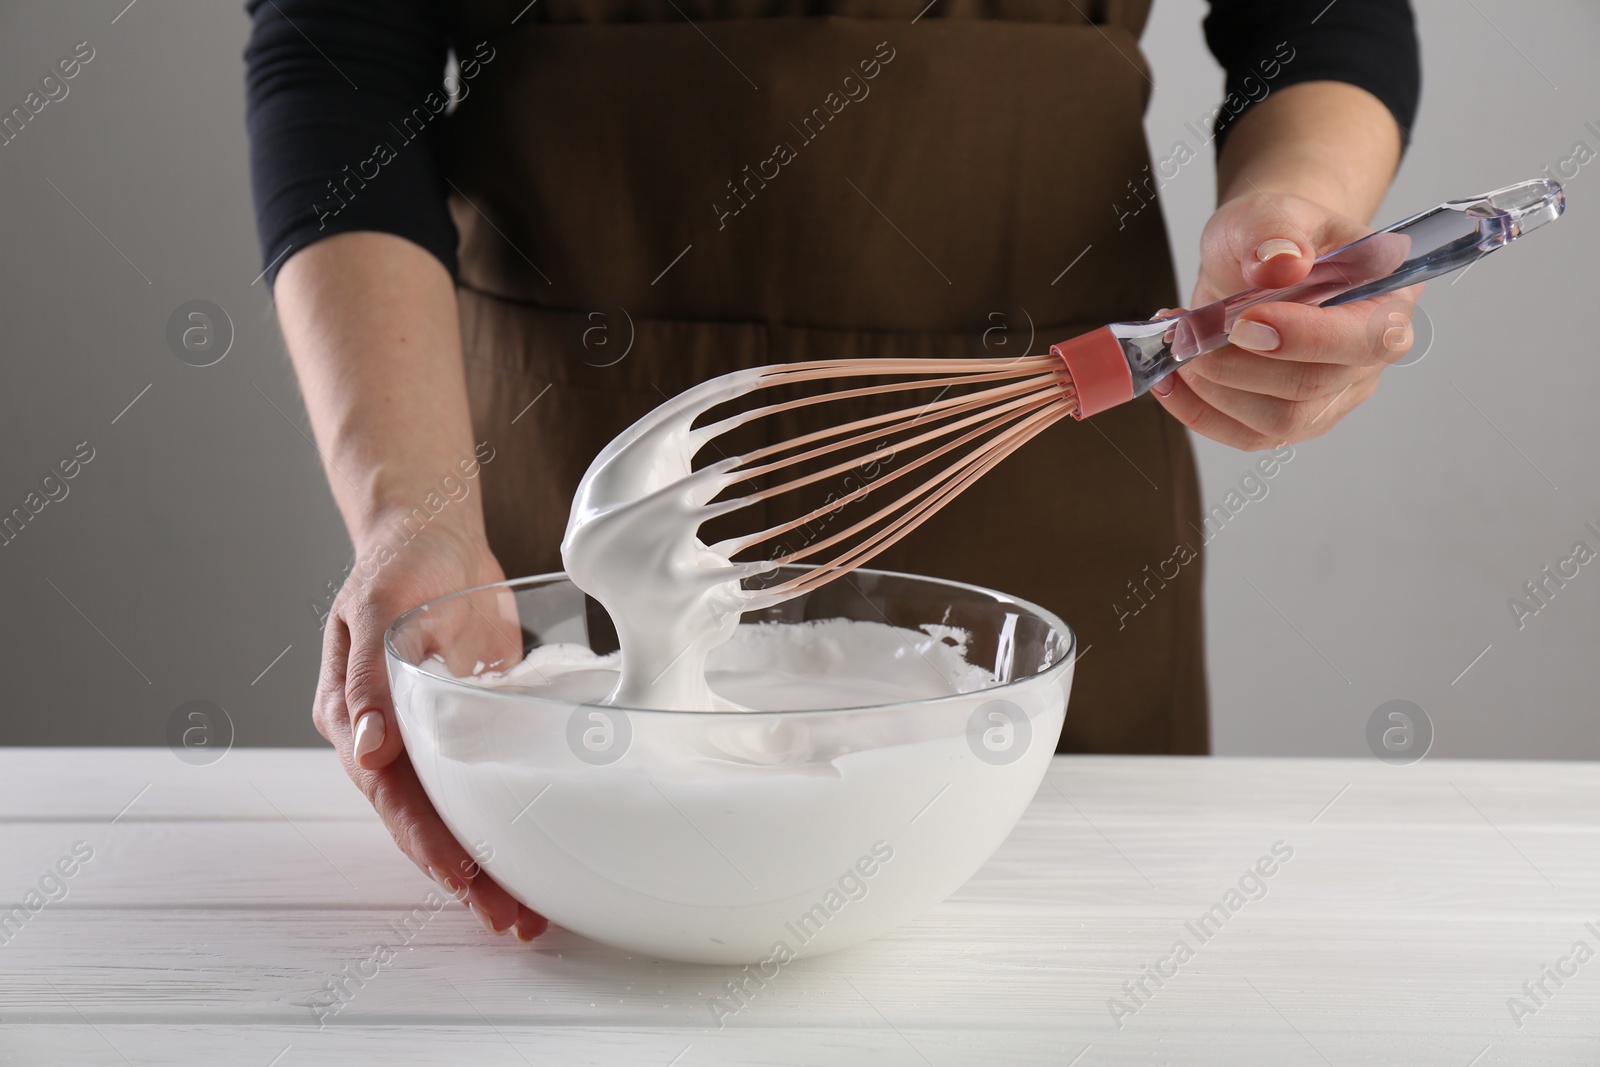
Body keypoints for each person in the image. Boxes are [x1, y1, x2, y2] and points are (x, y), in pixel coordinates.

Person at [245, 0, 1421, 942]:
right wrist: (417, 514)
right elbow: (340, 47)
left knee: (1079, 958)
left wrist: (1292, 216)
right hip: (547, 445)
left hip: (1047, 466)